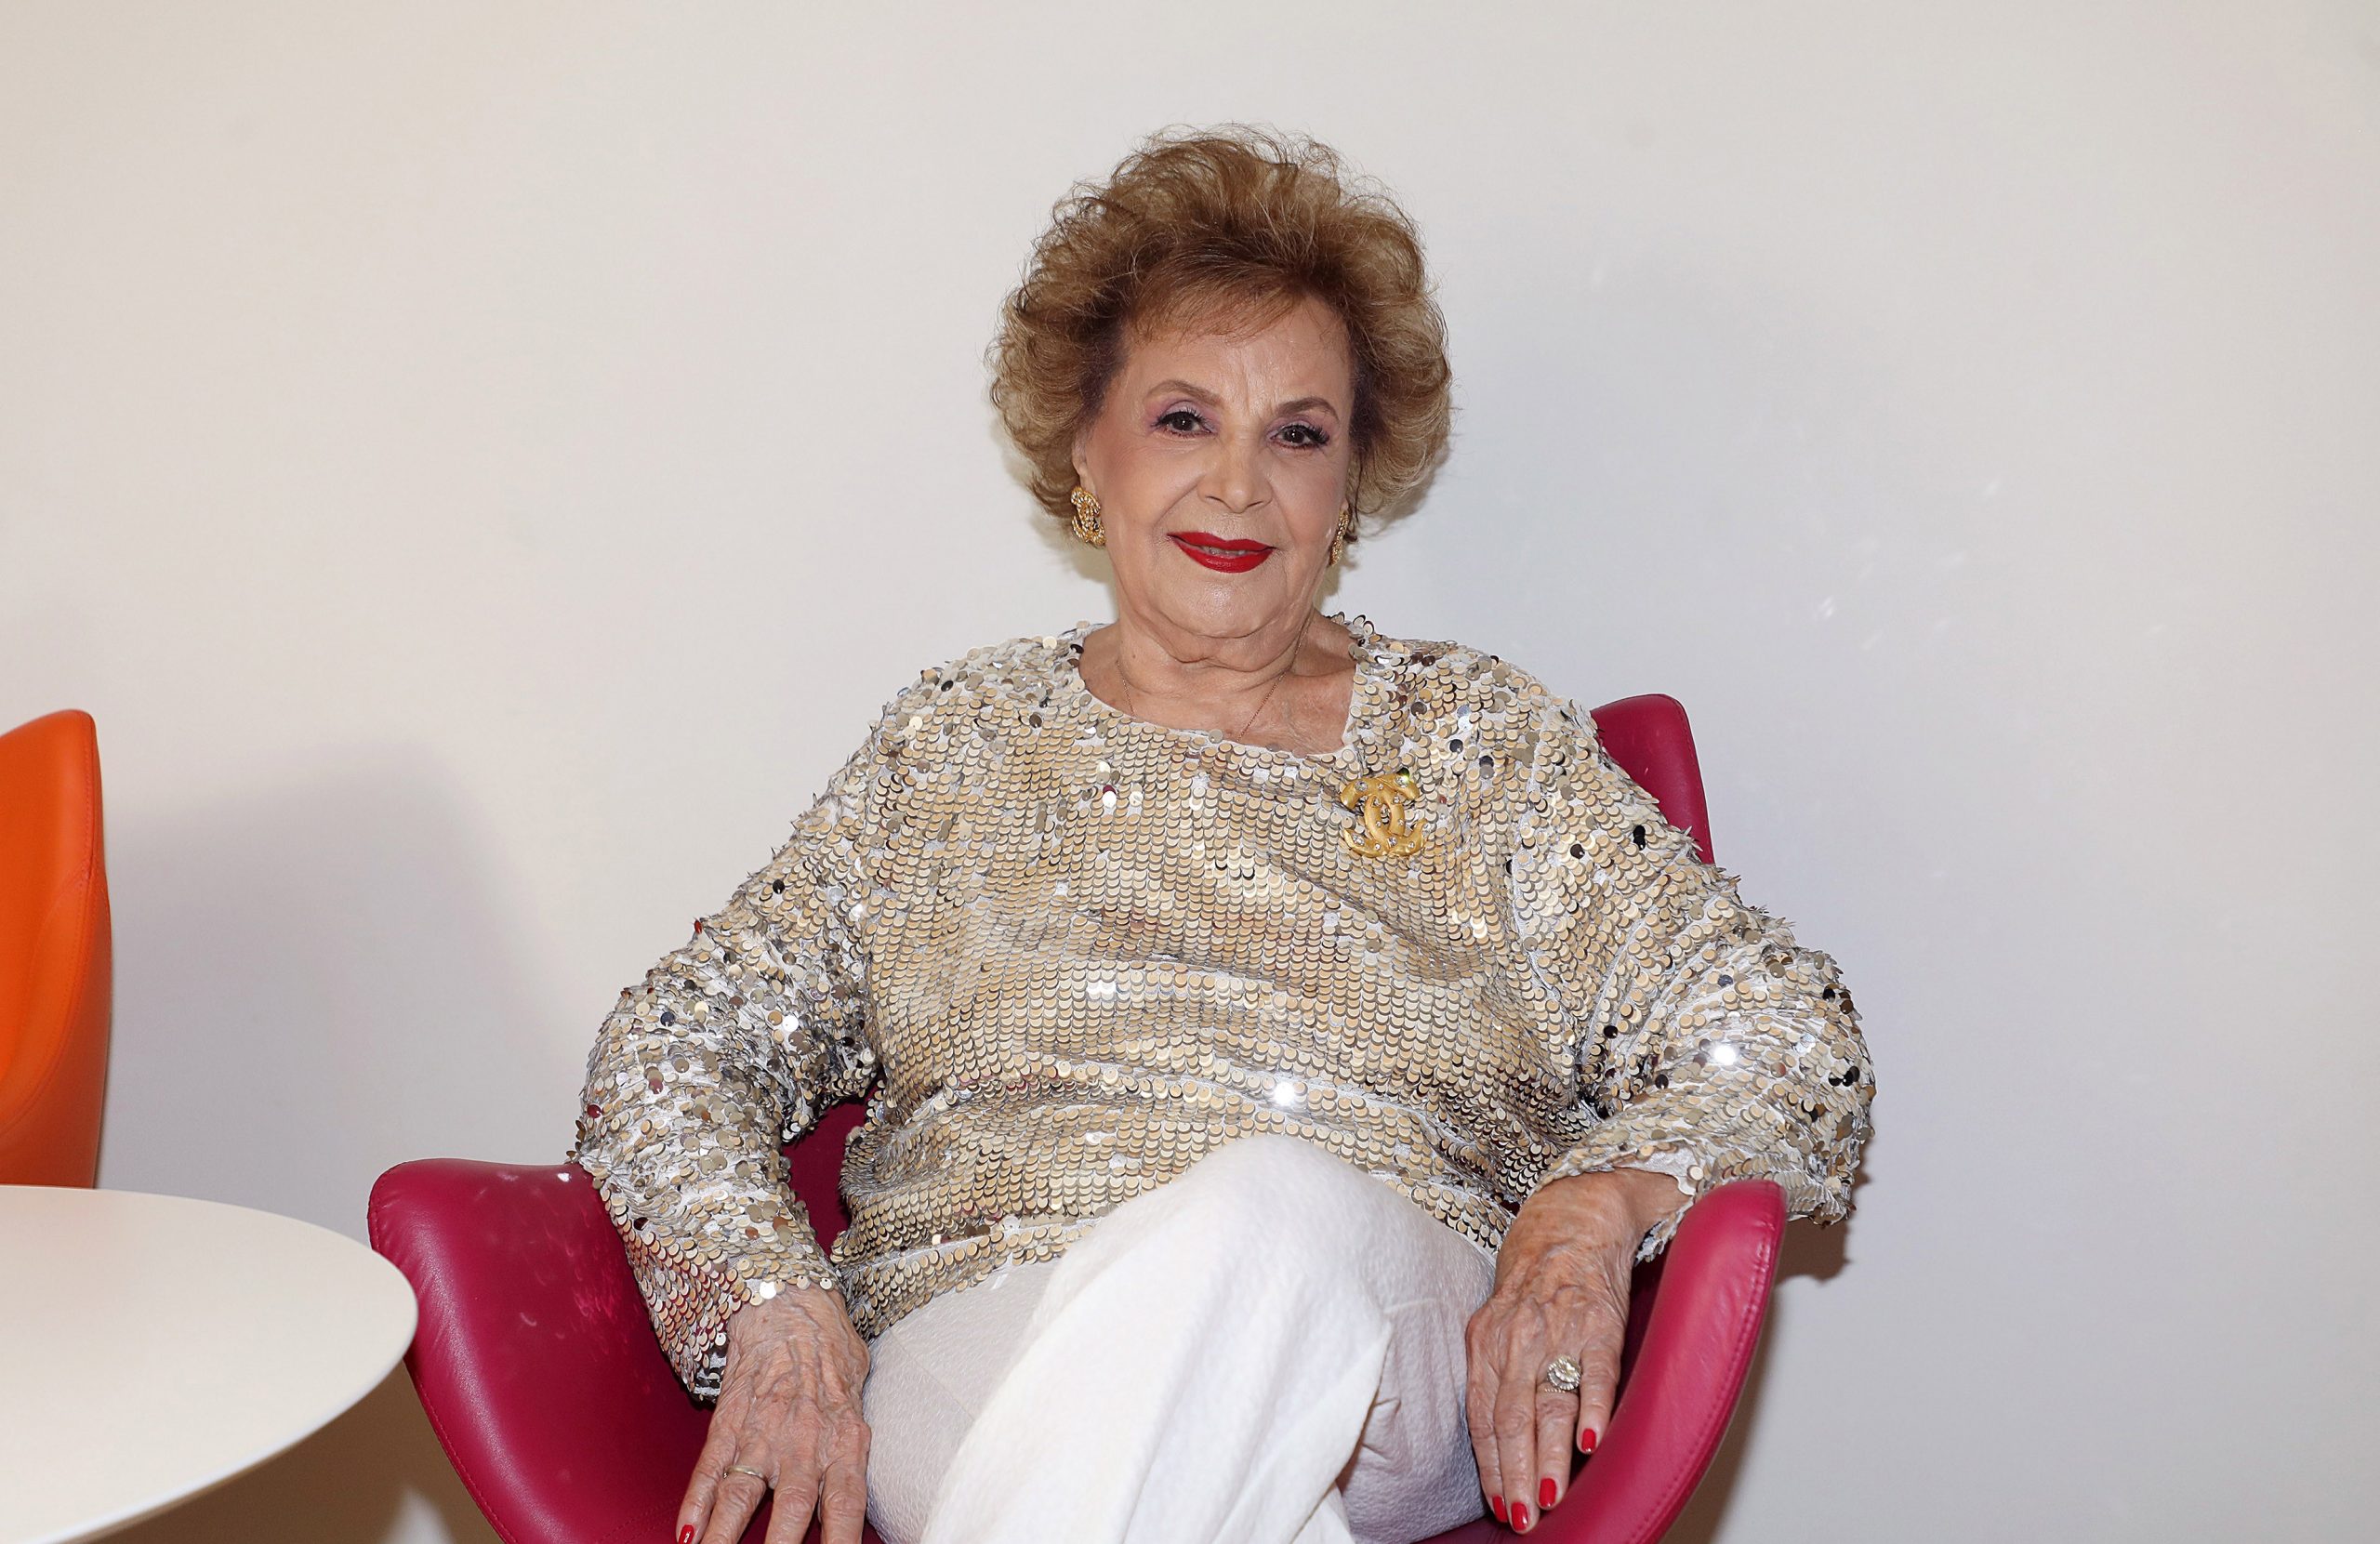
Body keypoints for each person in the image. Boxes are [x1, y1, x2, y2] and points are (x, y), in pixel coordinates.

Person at [571, 125, 1873, 1544]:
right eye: (1184, 418)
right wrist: (773, 1301)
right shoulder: (949, 746)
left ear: (1348, 483)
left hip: (1381, 1336)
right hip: (983, 1336)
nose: (1239, 484)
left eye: (1297, 434)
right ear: (1087, 448)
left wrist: (1590, 1206)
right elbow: (674, 1048)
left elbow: (1787, 1038)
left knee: (1271, 1214)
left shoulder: (1483, 744)